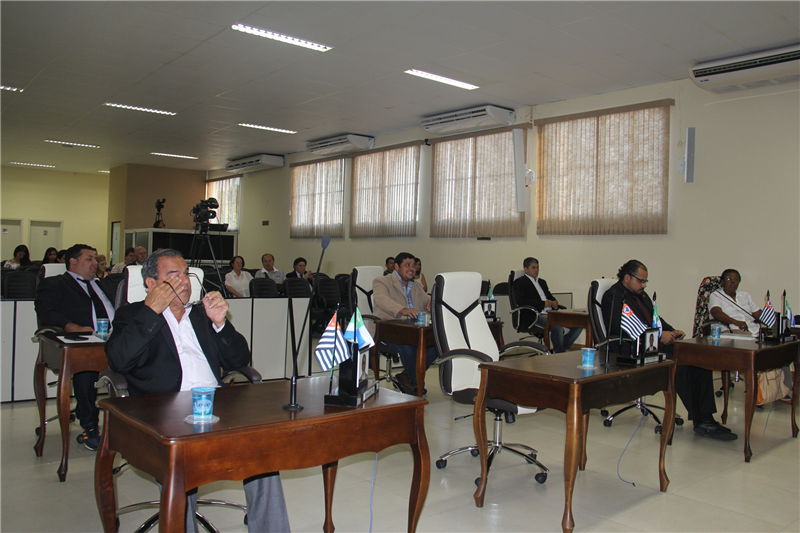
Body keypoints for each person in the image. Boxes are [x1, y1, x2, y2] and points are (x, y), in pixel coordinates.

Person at [105, 249, 290, 533]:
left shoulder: (202, 315)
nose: (184, 281)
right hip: (165, 411)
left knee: (262, 452)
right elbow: (118, 360)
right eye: (173, 275)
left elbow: (240, 360)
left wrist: (220, 324)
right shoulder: (132, 315)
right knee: (181, 465)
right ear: (151, 284)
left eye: (186, 274)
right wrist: (151, 312)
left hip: (216, 403)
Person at [602, 259, 736, 441]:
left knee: (700, 362)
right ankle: (701, 420)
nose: (644, 285)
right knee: (680, 365)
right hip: (632, 350)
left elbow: (656, 319)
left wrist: (672, 331)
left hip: (652, 345)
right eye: (641, 281)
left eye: (645, 281)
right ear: (627, 277)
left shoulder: (641, 295)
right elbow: (621, 329)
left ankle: (706, 418)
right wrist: (658, 336)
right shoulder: (614, 296)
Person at [35, 244, 115, 450]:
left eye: (95, 259)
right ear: (72, 261)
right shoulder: (55, 284)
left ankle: (132, 421)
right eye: (89, 259)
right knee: (86, 367)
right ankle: (90, 425)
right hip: (82, 343)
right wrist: (73, 327)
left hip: (114, 339)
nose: (95, 263)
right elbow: (46, 311)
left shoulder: (105, 284)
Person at [373, 252, 435, 394]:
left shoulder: (416, 285)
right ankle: (416, 383)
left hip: (412, 330)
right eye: (407, 265)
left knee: (437, 345)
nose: (412, 268)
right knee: (409, 348)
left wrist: (430, 301)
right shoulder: (382, 281)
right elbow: (381, 299)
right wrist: (402, 310)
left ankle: (406, 376)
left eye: (413, 265)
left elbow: (426, 298)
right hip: (388, 328)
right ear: (396, 267)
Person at [512, 257, 582, 353]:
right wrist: (543, 304)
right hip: (535, 315)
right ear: (526, 269)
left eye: (537, 267)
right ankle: (560, 352)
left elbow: (549, 296)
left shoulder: (542, 282)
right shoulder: (520, 282)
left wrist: (554, 303)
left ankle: (559, 350)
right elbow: (521, 301)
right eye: (533, 267)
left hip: (551, 312)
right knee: (557, 326)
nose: (536, 270)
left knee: (578, 325)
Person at [708, 269, 763, 336]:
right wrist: (735, 322)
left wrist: (772, 320)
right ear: (723, 282)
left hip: (753, 330)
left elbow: (758, 313)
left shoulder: (745, 295)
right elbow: (716, 313)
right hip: (731, 330)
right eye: (729, 279)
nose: (733, 281)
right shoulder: (716, 295)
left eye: (736, 279)